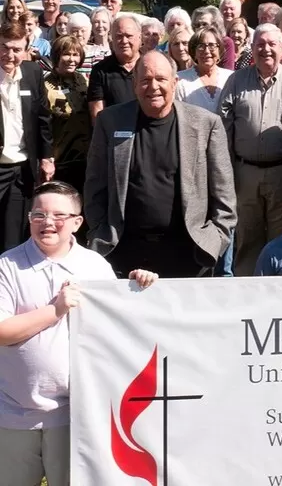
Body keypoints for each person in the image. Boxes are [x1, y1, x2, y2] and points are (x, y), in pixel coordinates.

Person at [0, 181, 157, 486]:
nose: (47, 222)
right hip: (13, 413)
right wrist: (55, 310)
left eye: (59, 215)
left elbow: (124, 327)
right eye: (39, 215)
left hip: (76, 415)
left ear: (77, 222)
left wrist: (141, 286)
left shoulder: (95, 266)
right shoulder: (6, 266)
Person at [84, 50, 237, 277]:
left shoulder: (206, 124)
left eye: (161, 79)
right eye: (145, 80)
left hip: (188, 254)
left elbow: (224, 197)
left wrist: (213, 241)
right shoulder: (110, 121)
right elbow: (95, 186)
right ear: (134, 84)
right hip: (124, 251)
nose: (153, 87)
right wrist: (99, 231)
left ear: (175, 83)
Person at [218, 24, 282, 276]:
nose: (266, 49)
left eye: (272, 44)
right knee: (247, 237)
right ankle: (247, 294)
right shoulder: (236, 81)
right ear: (252, 47)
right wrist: (226, 171)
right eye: (260, 44)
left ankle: (280, 292)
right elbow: (223, 127)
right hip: (245, 173)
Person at [0, 22, 54, 254]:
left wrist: (47, 157)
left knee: (14, 235)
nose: (10, 55)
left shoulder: (33, 73)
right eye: (4, 47)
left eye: (16, 49)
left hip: (22, 168)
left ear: (26, 49)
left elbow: (43, 119)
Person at [43, 36, 90, 193]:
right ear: (57, 56)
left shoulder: (82, 80)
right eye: (67, 54)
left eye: (76, 55)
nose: (72, 59)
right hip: (61, 159)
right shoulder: (46, 85)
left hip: (86, 156)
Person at [87, 15, 141, 122]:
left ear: (140, 37)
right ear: (112, 38)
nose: (124, 41)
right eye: (119, 36)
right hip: (116, 133)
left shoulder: (150, 65)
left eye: (129, 36)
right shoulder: (100, 70)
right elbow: (98, 115)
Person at [176, 28, 234, 113]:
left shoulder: (231, 78)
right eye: (200, 46)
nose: (206, 51)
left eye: (212, 45)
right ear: (194, 52)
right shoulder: (180, 80)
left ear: (219, 50)